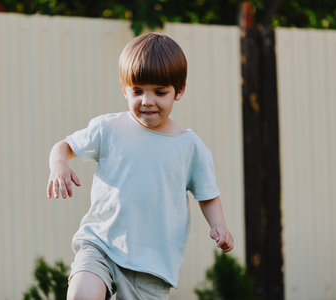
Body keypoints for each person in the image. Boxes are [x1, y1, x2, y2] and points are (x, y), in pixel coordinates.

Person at [47, 32, 234, 300]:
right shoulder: (108, 128)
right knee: (81, 295)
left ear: (179, 91)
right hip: (101, 243)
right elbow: (63, 146)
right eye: (137, 91)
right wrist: (59, 164)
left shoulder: (189, 146)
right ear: (125, 88)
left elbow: (208, 195)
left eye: (160, 92)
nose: (147, 101)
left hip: (151, 264)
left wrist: (219, 226)